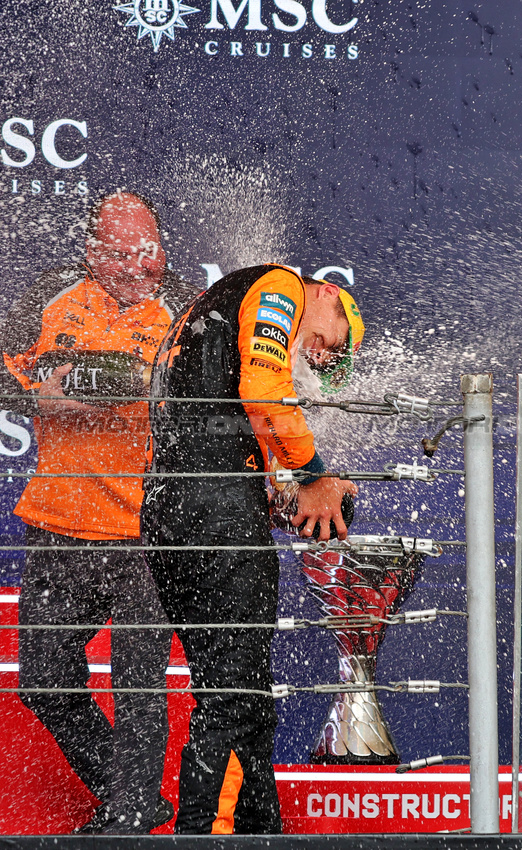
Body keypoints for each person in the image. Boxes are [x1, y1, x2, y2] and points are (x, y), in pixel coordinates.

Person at [143, 263, 363, 834]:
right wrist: (314, 475)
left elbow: (213, 416)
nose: (315, 356)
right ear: (324, 294)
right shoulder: (280, 284)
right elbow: (263, 391)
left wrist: (270, 493)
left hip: (169, 508)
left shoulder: (212, 307)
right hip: (214, 514)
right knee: (233, 696)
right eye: (323, 342)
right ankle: (196, 835)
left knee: (241, 694)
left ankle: (263, 829)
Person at [0, 192, 193, 833]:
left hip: (145, 529)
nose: (141, 267)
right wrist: (50, 395)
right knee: (45, 678)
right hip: (57, 521)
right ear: (92, 253)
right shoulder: (47, 304)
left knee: (141, 685)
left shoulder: (187, 312)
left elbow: (207, 401)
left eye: (150, 252)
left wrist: (137, 384)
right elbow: (9, 378)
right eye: (123, 254)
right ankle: (127, 794)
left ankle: (130, 816)